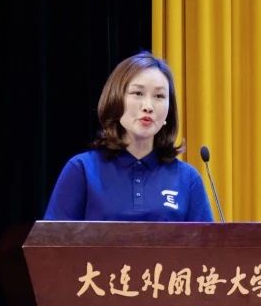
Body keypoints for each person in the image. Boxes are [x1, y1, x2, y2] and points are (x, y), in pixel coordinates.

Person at [44, 51, 214, 221]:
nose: (148, 106)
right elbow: (52, 238)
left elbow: (207, 239)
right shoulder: (82, 169)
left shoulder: (187, 179)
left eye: (159, 96)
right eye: (138, 93)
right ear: (115, 99)